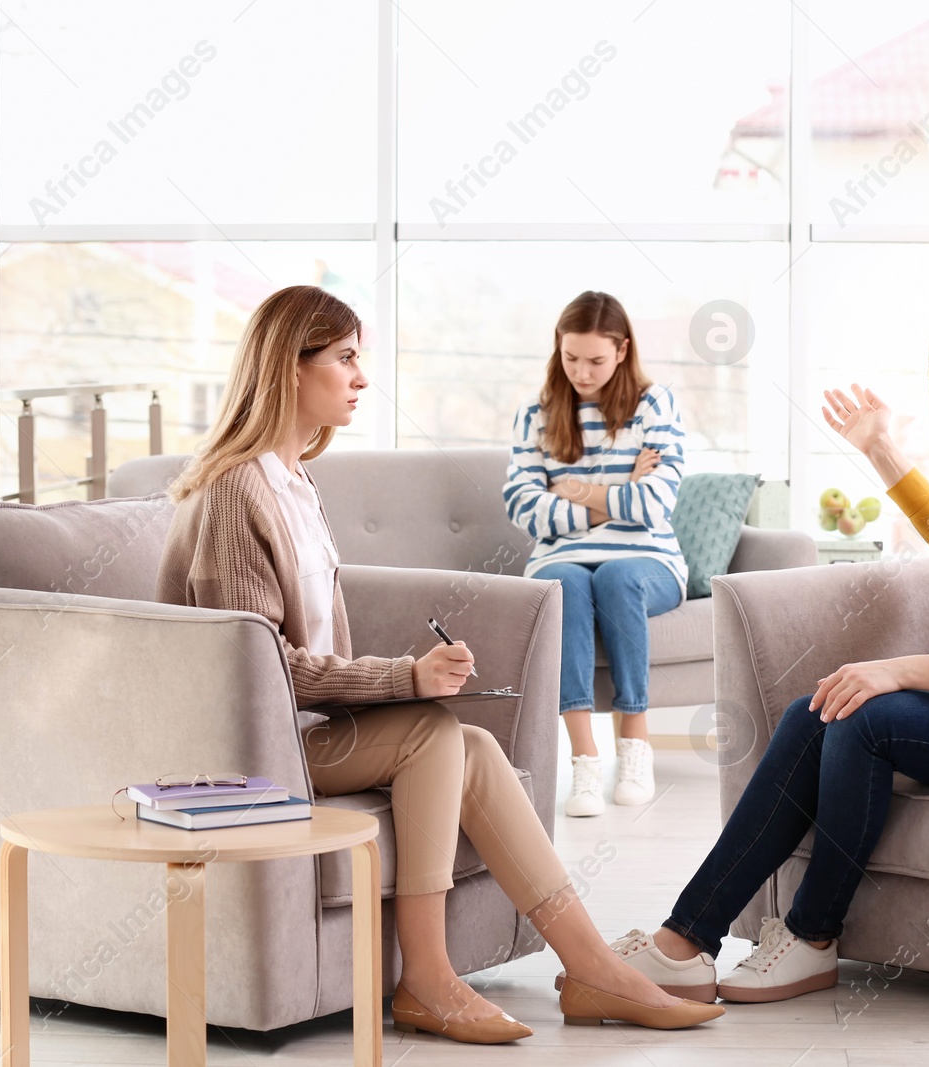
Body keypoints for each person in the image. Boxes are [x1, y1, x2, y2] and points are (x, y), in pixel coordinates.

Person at [156, 285, 723, 1041]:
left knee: (474, 745)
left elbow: (310, 658)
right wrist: (404, 678)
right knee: (431, 731)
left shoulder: (294, 481)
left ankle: (594, 969)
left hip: (300, 730)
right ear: (290, 368)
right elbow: (255, 672)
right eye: (347, 359)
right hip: (248, 751)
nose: (362, 377)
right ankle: (425, 978)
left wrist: (394, 680)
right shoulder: (236, 491)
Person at [599, 289, 929, 1004]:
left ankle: (812, 935)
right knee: (814, 709)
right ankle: (687, 939)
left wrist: (899, 670)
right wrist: (881, 448)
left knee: (867, 712)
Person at [503, 290, 688, 818]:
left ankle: (634, 744)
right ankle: (584, 760)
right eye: (571, 358)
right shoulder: (535, 414)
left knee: (616, 576)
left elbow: (656, 502)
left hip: (647, 562)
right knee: (566, 583)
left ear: (623, 350)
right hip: (560, 560)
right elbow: (521, 505)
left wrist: (571, 492)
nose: (582, 372)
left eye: (596, 361)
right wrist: (615, 494)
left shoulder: (655, 405)